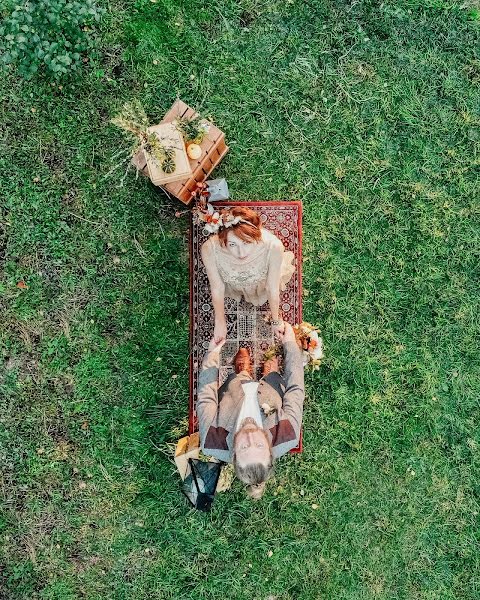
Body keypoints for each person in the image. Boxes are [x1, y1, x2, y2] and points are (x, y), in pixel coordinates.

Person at [196, 322, 304, 499]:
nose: (250, 436)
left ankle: (242, 373)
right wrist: (290, 343)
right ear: (270, 449)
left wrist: (213, 353)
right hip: (270, 388)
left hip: (235, 389)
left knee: (240, 376)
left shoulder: (211, 442)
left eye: (245, 446)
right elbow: (295, 389)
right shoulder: (288, 435)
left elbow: (206, 396)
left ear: (234, 455)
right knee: (273, 373)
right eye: (259, 445)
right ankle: (271, 372)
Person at [200, 206, 295, 343]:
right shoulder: (210, 249)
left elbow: (271, 287)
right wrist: (220, 322)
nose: (241, 253)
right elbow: (218, 287)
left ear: (256, 235)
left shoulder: (273, 247)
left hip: (261, 283)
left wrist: (276, 321)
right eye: (232, 245)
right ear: (223, 239)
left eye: (247, 243)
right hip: (233, 284)